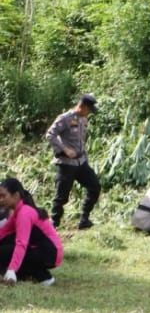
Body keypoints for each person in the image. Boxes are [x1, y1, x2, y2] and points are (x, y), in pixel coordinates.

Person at [45, 93, 101, 230]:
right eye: (89, 110)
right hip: (66, 164)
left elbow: (80, 141)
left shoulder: (82, 119)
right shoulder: (65, 118)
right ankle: (54, 223)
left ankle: (84, 219)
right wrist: (64, 149)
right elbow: (50, 135)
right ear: (82, 107)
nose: (89, 114)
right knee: (61, 197)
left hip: (81, 163)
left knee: (95, 187)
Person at [0, 178, 64, 286]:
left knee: (5, 250)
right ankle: (23, 275)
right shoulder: (18, 211)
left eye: (3, 196)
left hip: (50, 253)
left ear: (15, 196)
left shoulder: (24, 213)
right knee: (5, 243)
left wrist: (12, 269)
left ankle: (44, 277)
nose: (0, 200)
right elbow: (2, 233)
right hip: (41, 250)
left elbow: (21, 244)